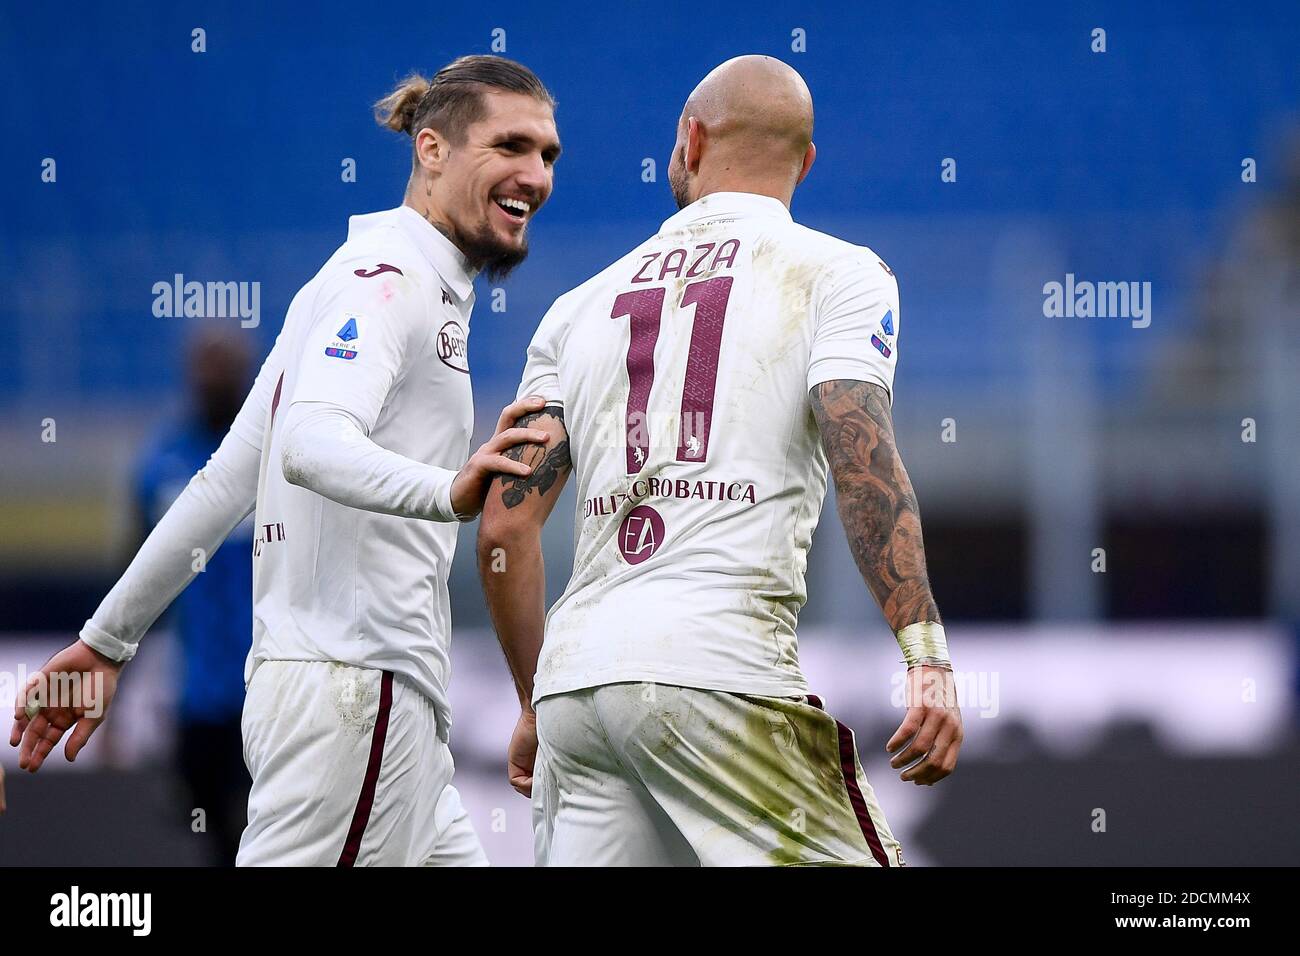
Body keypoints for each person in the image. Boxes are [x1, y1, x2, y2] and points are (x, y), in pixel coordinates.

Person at [11, 54, 559, 868]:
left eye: (548, 154)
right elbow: (308, 445)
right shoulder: (388, 283)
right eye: (510, 146)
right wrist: (448, 488)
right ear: (432, 150)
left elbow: (226, 480)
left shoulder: (352, 282)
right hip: (356, 693)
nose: (535, 175)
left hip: (365, 699)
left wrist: (107, 639)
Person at [478, 55, 963, 866]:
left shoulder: (577, 308)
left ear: (689, 140)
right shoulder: (840, 274)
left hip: (577, 690)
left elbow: (505, 523)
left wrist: (536, 699)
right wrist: (926, 654)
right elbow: (860, 453)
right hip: (716, 670)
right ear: (805, 162)